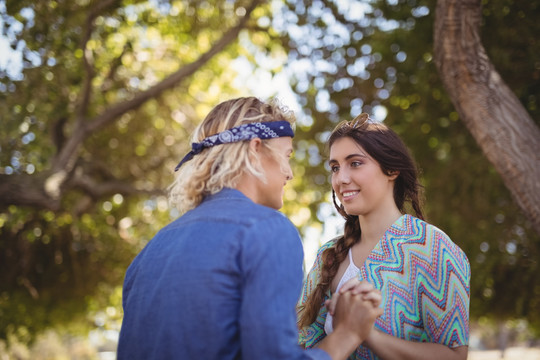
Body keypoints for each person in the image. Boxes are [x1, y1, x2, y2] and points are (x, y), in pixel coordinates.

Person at [117, 97, 383, 360]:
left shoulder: (151, 250)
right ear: (255, 150)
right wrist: (348, 332)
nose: (289, 173)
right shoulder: (268, 231)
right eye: (286, 156)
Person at [297, 114, 471, 360]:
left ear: (391, 169)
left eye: (355, 163)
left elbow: (454, 355)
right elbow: (299, 348)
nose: (341, 179)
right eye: (335, 167)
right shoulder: (328, 255)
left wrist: (365, 333)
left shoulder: (431, 248)